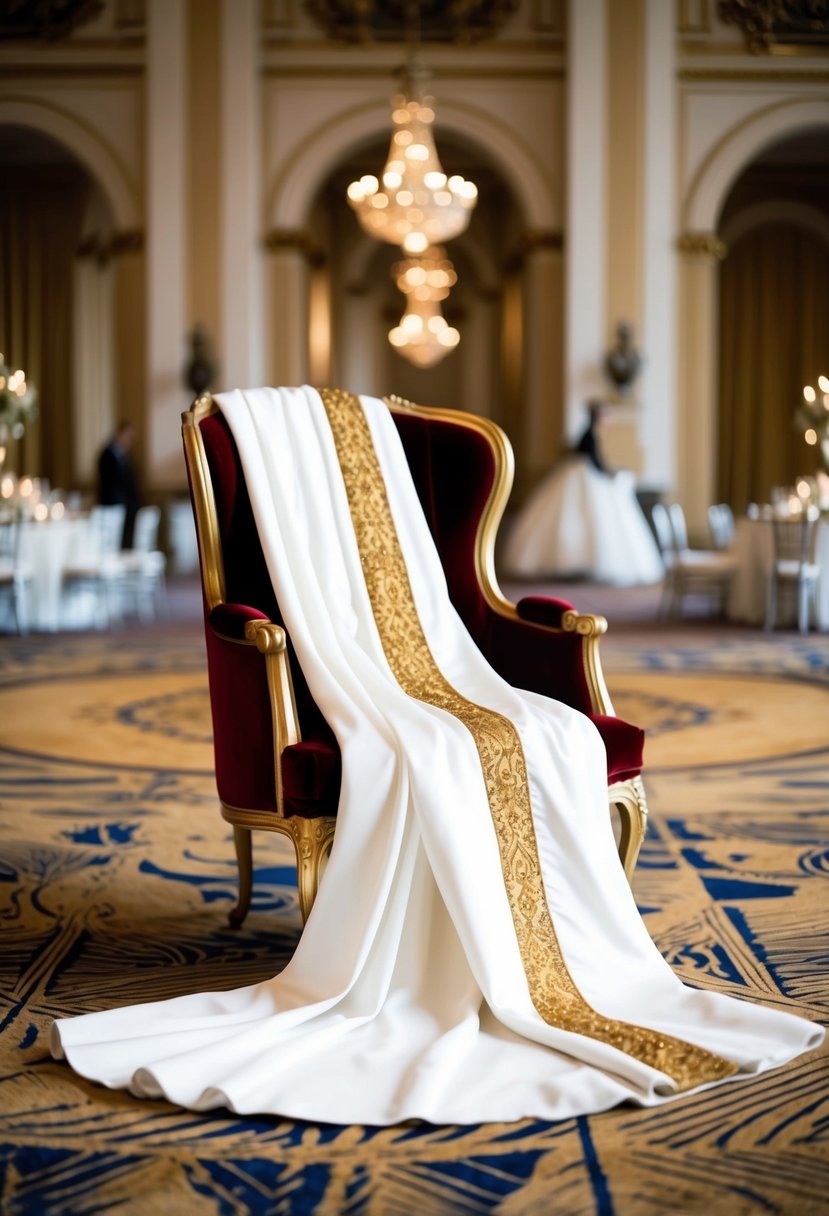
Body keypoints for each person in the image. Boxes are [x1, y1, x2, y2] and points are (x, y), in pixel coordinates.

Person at [50, 387, 821, 1125]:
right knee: (426, 743)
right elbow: (238, 614)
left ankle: (542, 946)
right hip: (331, 680)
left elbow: (480, 601)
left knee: (538, 732)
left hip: (455, 664)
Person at [501, 399, 664, 586]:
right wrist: (612, 473)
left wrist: (612, 471)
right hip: (582, 478)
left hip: (583, 476)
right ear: (599, 416)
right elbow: (595, 462)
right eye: (606, 415)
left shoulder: (591, 434)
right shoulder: (589, 435)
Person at [97, 420, 140, 549]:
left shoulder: (126, 455)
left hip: (127, 506)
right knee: (115, 542)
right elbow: (111, 483)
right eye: (127, 436)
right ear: (118, 433)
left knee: (126, 541)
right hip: (113, 505)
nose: (128, 440)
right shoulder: (106, 455)